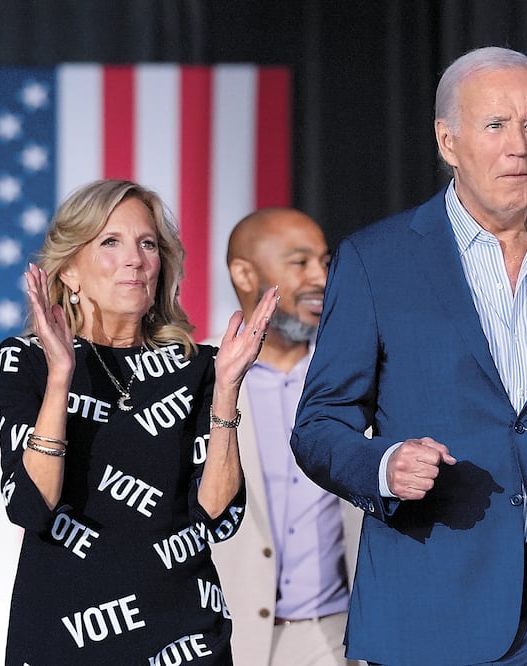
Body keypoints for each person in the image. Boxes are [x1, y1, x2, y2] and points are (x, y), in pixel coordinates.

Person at [291, 46, 527, 665]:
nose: (518, 146)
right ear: (448, 142)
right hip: (427, 604)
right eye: (496, 125)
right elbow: (319, 424)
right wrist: (383, 467)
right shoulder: (376, 260)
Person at [0, 179, 277, 664]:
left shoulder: (200, 366)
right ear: (71, 274)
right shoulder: (27, 362)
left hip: (184, 634)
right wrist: (62, 376)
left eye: (148, 244)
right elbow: (29, 507)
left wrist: (227, 391)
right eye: (110, 242)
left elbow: (216, 517)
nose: (135, 259)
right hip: (64, 636)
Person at [209, 208, 362, 666]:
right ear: (244, 272)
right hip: (223, 636)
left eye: (325, 261)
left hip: (334, 638)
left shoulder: (356, 376)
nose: (320, 277)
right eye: (300, 263)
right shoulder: (202, 380)